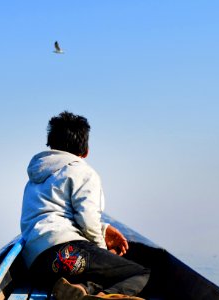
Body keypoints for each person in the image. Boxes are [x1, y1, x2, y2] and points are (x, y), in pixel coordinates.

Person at [20, 111, 150, 300]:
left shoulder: (34, 178)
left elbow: (57, 212)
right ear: (85, 151)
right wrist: (101, 249)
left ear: (51, 145)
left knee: (102, 271)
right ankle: (100, 296)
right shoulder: (81, 170)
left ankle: (80, 289)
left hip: (37, 265)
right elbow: (87, 220)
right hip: (67, 253)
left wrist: (104, 228)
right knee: (139, 273)